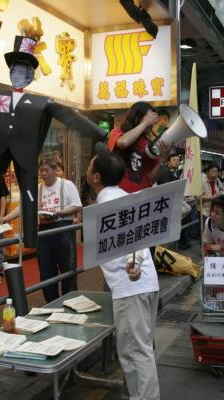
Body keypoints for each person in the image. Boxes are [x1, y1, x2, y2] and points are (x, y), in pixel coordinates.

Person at [0, 35, 104, 249]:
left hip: (24, 151)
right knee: (24, 188)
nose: (16, 73)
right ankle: (30, 238)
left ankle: (31, 238)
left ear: (30, 76)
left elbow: (67, 115)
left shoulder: (40, 102)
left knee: (29, 190)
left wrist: (99, 133)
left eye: (22, 70)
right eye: (14, 69)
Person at [86, 149, 160, 400]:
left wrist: (132, 263)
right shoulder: (123, 197)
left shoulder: (109, 204)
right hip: (143, 285)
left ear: (96, 176)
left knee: (136, 353)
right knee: (139, 349)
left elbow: (132, 244)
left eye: (89, 165)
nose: (87, 169)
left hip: (132, 287)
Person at [3, 159, 82, 302]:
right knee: (46, 270)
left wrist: (60, 212)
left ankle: (70, 301)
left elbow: (77, 206)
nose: (43, 174)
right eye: (41, 171)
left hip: (63, 228)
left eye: (46, 170)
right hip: (44, 231)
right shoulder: (37, 188)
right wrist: (6, 217)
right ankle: (52, 303)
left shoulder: (67, 185)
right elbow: (24, 206)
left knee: (68, 269)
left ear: (54, 170)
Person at [107, 101, 170, 194]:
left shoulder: (150, 145)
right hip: (118, 195)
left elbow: (151, 180)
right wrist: (145, 123)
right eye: (149, 117)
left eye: (153, 119)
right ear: (136, 117)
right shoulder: (117, 133)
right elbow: (123, 143)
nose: (151, 122)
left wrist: (163, 159)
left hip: (141, 198)